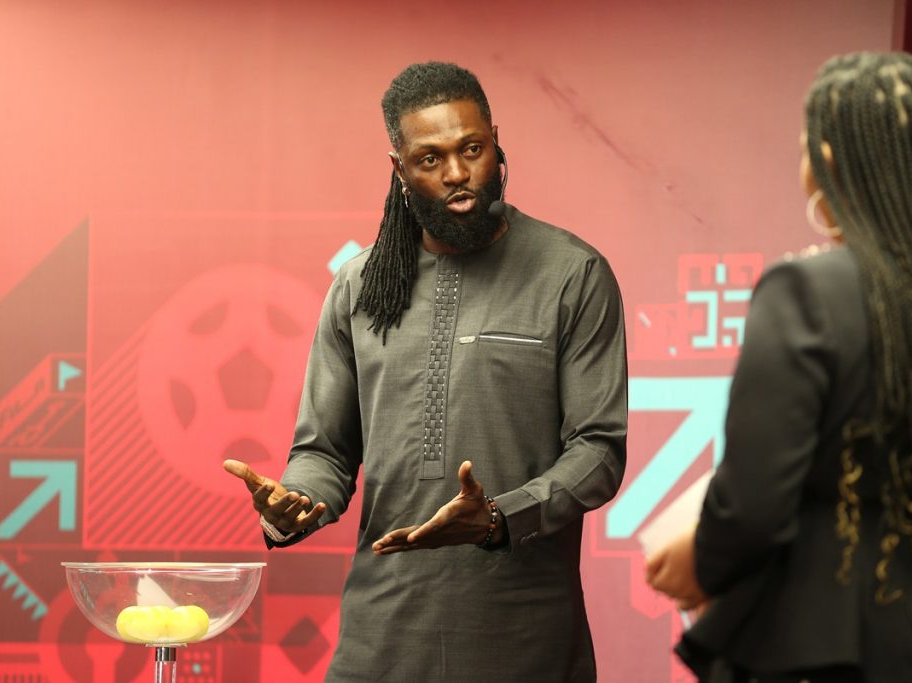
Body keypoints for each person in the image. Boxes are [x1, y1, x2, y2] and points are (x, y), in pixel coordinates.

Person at [224, 61, 627, 682]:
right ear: (399, 170)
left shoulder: (571, 274)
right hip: (382, 637)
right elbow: (325, 452)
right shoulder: (361, 286)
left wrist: (500, 516)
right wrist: (297, 502)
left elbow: (599, 450)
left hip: (525, 636)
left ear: (497, 141)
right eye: (431, 159)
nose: (459, 174)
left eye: (472, 149)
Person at [646, 51, 912, 682]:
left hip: (818, 649)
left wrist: (701, 563)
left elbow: (754, 505)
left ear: (828, 163)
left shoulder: (805, 293)